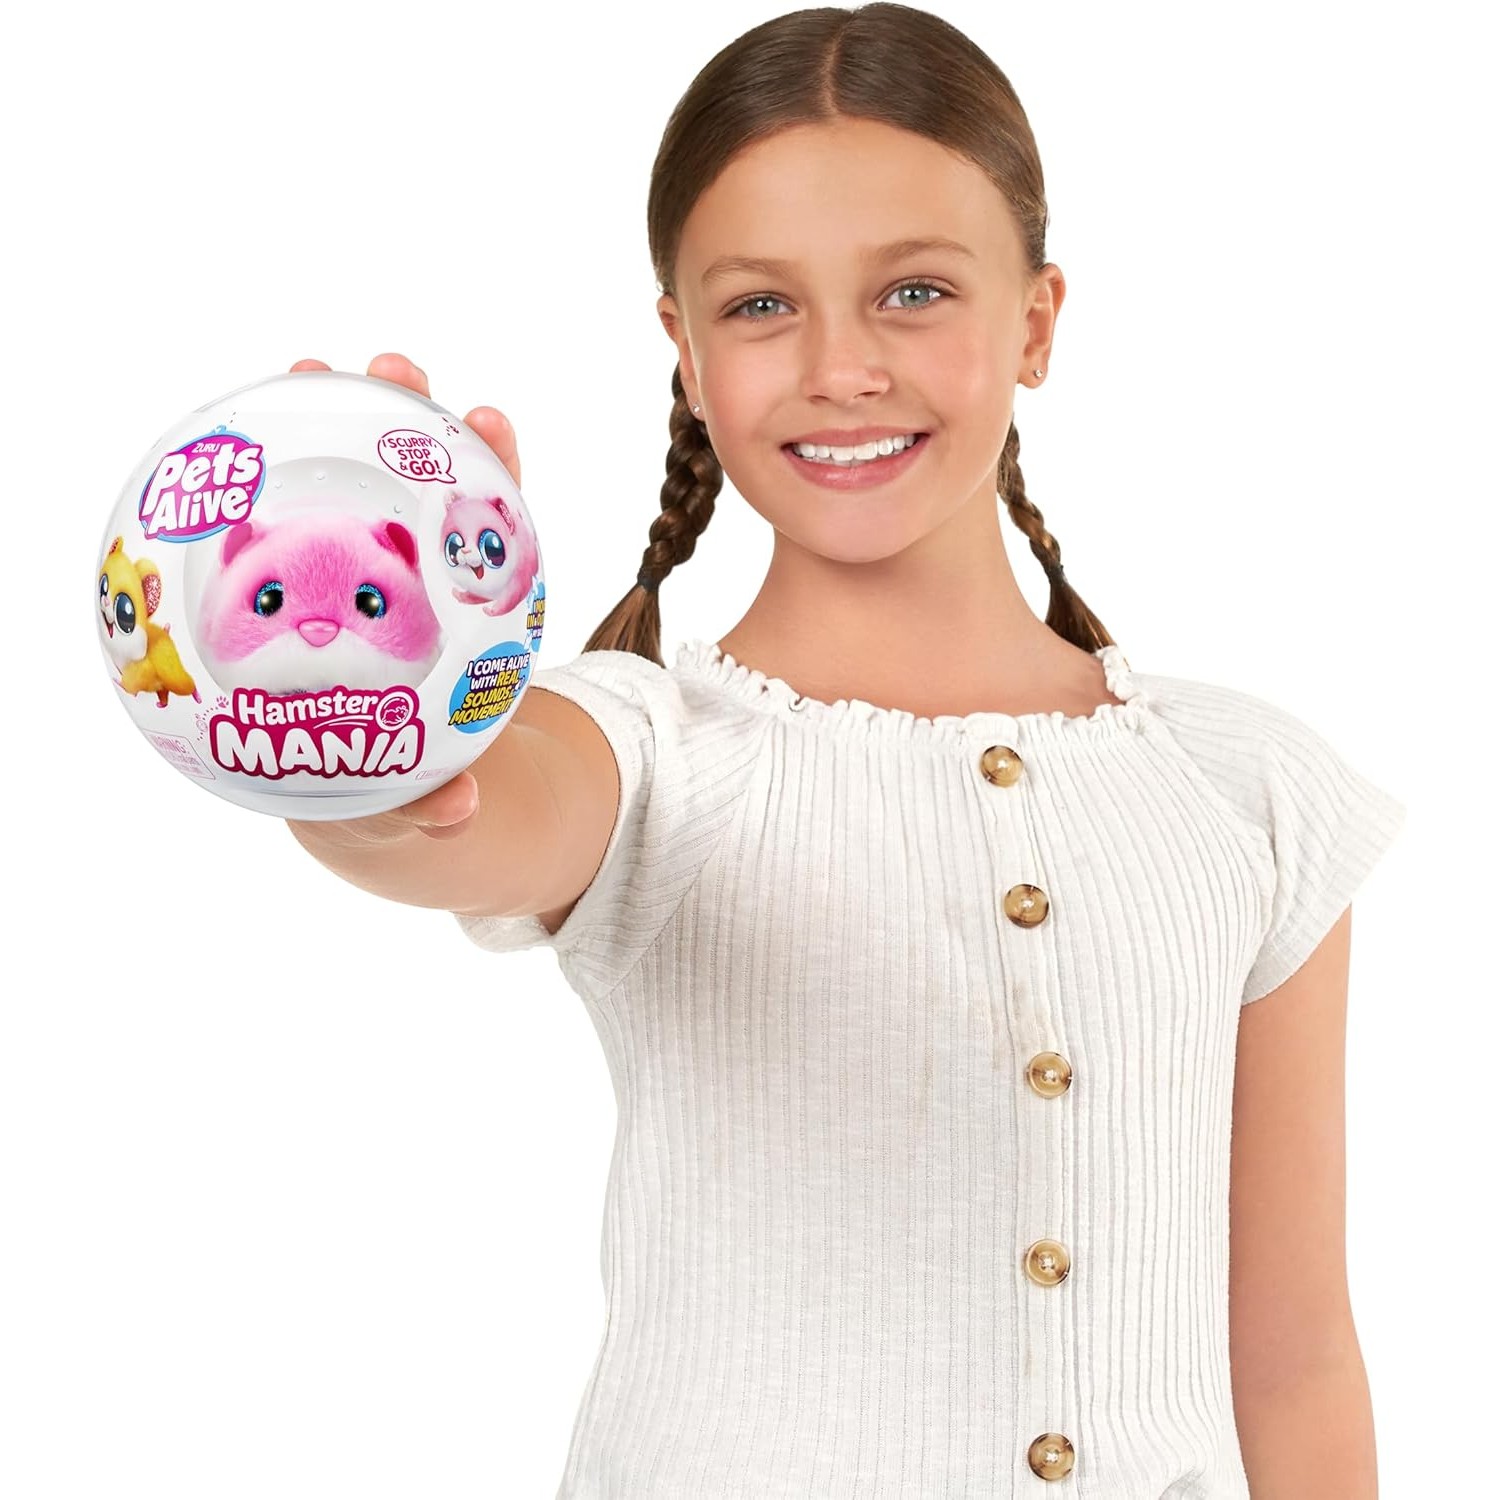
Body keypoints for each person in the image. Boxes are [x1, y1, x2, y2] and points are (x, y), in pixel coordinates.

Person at [291, 6, 1404, 1496]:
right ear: (688, 356)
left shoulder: (1246, 789)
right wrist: (364, 725)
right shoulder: (645, 745)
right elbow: (465, 816)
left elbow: (1294, 1357)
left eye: (914, 292)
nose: (840, 368)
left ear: (1037, 323)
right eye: (762, 306)